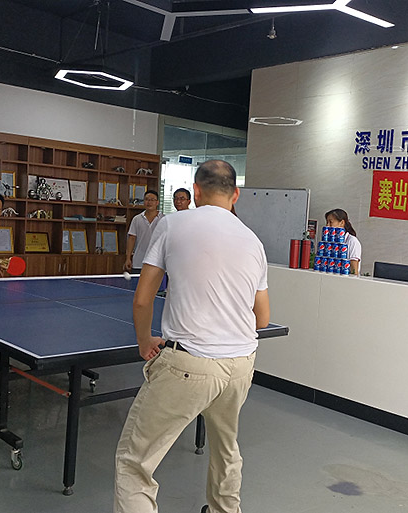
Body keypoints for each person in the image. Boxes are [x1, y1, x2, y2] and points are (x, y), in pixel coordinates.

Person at [114, 160, 270, 513]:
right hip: (240, 365)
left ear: (196, 191)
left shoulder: (172, 224)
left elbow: (143, 299)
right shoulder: (253, 240)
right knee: (226, 449)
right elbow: (262, 317)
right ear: (236, 195)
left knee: (134, 462)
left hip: (189, 363)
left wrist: (144, 341)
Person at [124, 190, 163, 274]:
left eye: (152, 200)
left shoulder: (164, 219)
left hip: (158, 263)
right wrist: (128, 258)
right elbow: (132, 238)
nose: (149, 202)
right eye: (147, 199)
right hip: (139, 262)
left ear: (157, 202)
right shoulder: (137, 219)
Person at [325, 208, 361, 275]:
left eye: (330, 222)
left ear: (342, 223)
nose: (327, 226)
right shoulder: (329, 241)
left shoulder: (352, 241)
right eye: (327, 222)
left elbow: (354, 269)